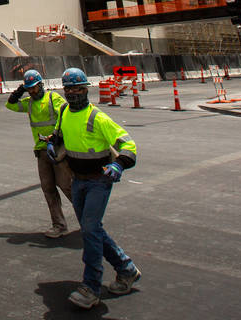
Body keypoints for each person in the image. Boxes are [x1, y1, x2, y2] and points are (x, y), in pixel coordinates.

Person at [53, 67, 140, 309]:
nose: (72, 93)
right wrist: (52, 145)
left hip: (98, 181)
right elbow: (59, 135)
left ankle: (90, 286)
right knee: (93, 230)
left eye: (78, 88)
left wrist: (120, 164)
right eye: (68, 88)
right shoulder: (63, 112)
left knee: (90, 230)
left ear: (85, 90)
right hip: (77, 180)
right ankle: (126, 269)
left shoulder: (98, 118)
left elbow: (127, 143)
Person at [5, 68, 72, 237]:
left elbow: (66, 117)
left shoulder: (53, 98)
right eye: (29, 88)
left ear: (41, 85)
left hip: (58, 149)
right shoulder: (29, 102)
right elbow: (11, 105)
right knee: (48, 188)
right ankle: (59, 225)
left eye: (34, 87)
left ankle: (88, 220)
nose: (32, 91)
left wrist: (56, 137)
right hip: (42, 152)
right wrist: (19, 90)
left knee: (67, 186)